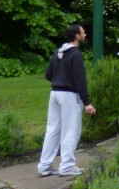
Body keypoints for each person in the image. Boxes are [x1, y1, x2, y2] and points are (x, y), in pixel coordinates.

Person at [38, 23, 96, 177]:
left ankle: (44, 166)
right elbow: (80, 81)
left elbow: (48, 74)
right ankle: (67, 166)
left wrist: (59, 79)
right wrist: (87, 102)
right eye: (83, 32)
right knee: (71, 130)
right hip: (69, 96)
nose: (85, 34)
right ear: (77, 36)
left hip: (55, 94)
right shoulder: (75, 55)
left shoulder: (59, 52)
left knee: (53, 129)